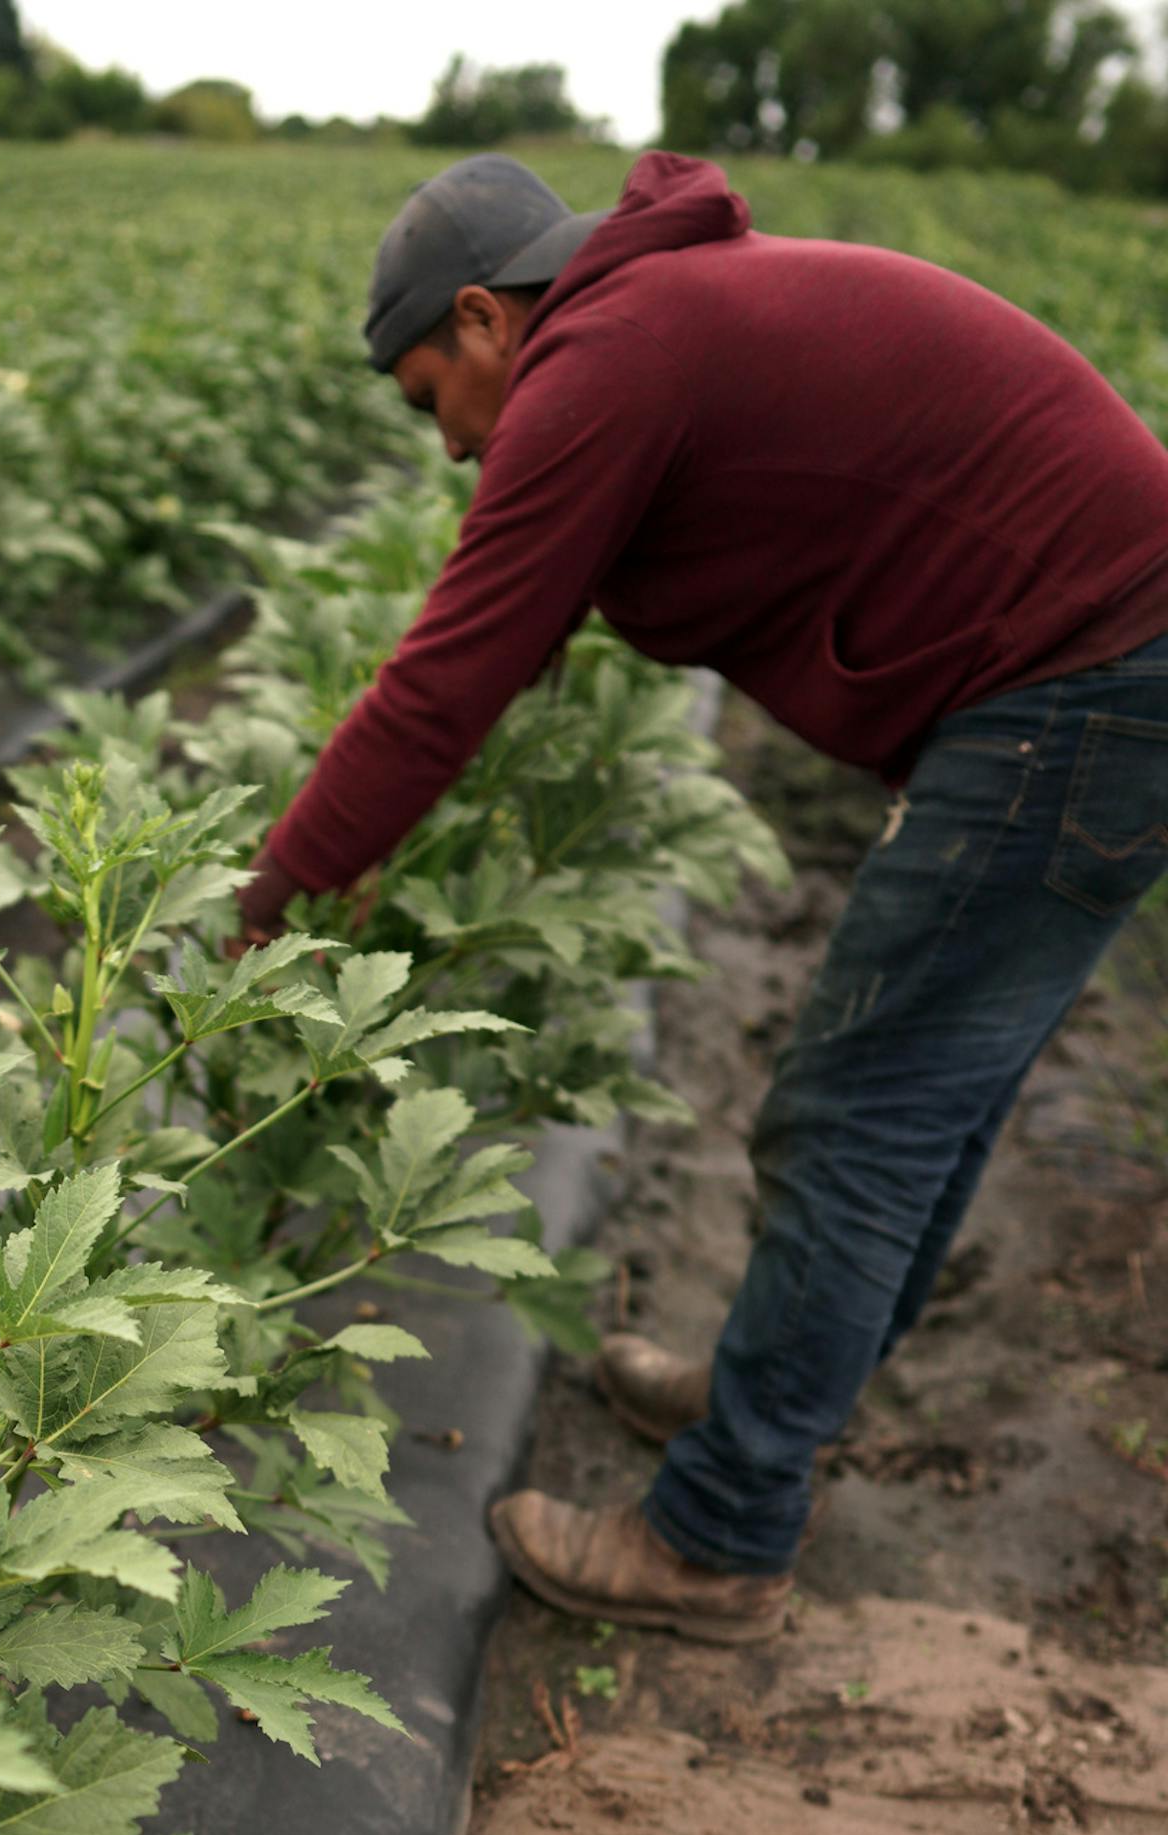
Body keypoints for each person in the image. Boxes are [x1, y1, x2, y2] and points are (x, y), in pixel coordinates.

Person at [234, 149, 1168, 1647]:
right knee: (923, 1101)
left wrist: (277, 881)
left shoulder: (605, 355)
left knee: (861, 1113)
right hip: (1098, 673)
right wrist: (381, 825)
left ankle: (723, 1531)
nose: (454, 451)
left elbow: (449, 670)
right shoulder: (648, 323)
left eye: (431, 404)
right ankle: (780, 1396)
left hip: (1087, 684)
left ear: (485, 318)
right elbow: (512, 632)